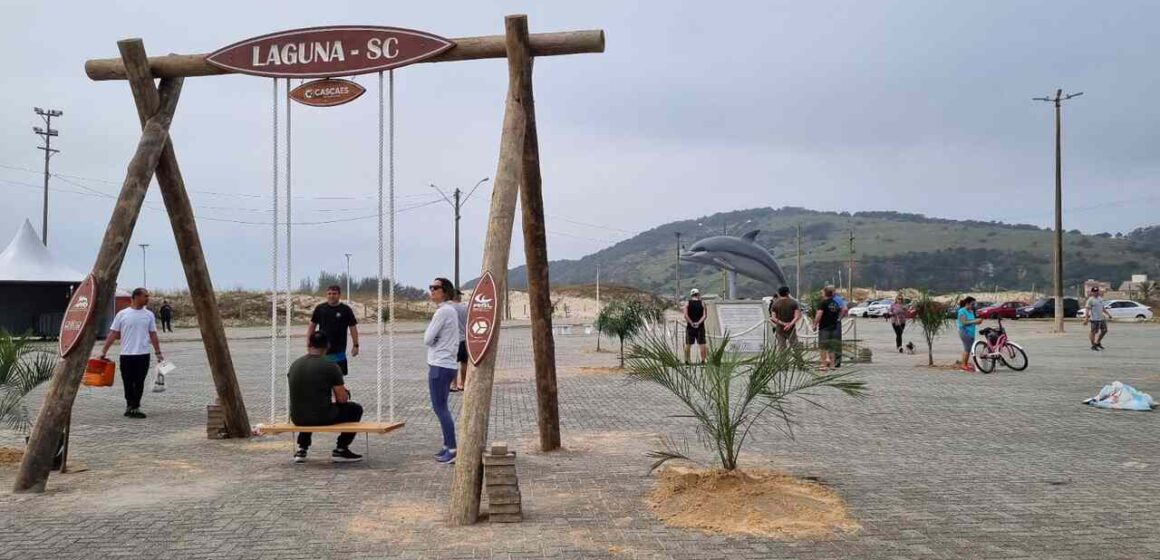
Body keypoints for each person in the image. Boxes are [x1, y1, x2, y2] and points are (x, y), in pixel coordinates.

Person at [289, 331, 364, 464]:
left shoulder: (295, 365)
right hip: (322, 416)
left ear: (309, 345)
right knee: (355, 409)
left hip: (297, 417)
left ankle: (302, 448)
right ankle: (341, 449)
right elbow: (342, 399)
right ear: (327, 346)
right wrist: (342, 392)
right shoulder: (331, 366)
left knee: (309, 404)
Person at [99, 288, 164, 419]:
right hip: (126, 355)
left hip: (143, 354)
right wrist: (103, 351)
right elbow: (113, 334)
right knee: (128, 382)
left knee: (139, 382)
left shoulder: (149, 315)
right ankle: (129, 405)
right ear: (135, 297)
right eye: (145, 296)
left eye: (148, 296)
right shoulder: (122, 314)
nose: (147, 298)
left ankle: (136, 407)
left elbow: (153, 334)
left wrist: (158, 353)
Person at [425, 277, 460, 464]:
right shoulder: (449, 311)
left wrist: (434, 340)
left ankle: (453, 449)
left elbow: (427, 338)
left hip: (439, 364)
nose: (432, 291)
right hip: (446, 364)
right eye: (431, 287)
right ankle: (447, 445)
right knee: (441, 406)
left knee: (440, 408)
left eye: (436, 288)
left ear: (445, 291)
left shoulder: (442, 312)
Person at [306, 285, 359, 376]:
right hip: (322, 351)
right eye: (329, 294)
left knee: (338, 378)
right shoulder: (320, 308)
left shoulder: (346, 310)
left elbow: (353, 328)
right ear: (326, 295)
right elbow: (312, 326)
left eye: (334, 294)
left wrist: (356, 345)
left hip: (339, 351)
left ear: (339, 295)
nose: (331, 296)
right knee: (322, 378)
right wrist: (308, 342)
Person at [812, 286, 842, 370]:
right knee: (832, 347)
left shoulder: (823, 303)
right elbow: (840, 312)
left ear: (825, 293)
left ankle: (824, 364)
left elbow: (819, 314)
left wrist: (815, 324)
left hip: (824, 328)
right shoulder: (835, 303)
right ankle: (832, 365)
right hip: (834, 327)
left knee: (823, 347)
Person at [956, 296, 983, 372]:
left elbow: (971, 321)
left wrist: (977, 322)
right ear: (967, 303)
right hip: (965, 332)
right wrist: (975, 321)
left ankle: (964, 364)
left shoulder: (971, 311)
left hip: (971, 332)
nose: (973, 306)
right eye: (972, 304)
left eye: (974, 304)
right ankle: (964, 365)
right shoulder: (962, 311)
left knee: (967, 349)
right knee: (967, 349)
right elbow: (963, 322)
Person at [451, 290, 469, 392]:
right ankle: (463, 383)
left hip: (453, 340)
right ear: (457, 296)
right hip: (464, 339)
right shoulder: (465, 307)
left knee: (453, 363)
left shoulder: (449, 308)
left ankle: (453, 384)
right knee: (464, 363)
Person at [684, 288, 708, 364]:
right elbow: (705, 316)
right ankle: (703, 360)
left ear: (691, 295)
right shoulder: (702, 303)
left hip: (690, 327)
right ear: (698, 294)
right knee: (702, 344)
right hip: (700, 327)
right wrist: (698, 323)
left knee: (688, 344)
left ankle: (687, 360)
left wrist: (691, 323)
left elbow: (685, 315)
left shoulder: (687, 303)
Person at [1084, 287, 1110, 351]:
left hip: (1101, 318)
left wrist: (1108, 314)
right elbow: (1087, 309)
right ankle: (1093, 345)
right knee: (1093, 332)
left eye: (1097, 291)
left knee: (1104, 330)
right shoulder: (1090, 300)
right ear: (1092, 292)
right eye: (1094, 292)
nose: (1096, 293)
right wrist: (1086, 318)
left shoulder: (1100, 299)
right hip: (1094, 319)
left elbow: (1102, 308)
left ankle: (1097, 342)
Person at [830, 287, 849, 367]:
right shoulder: (839, 299)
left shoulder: (836, 299)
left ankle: (831, 360)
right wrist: (839, 318)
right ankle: (836, 361)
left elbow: (845, 309)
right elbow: (845, 309)